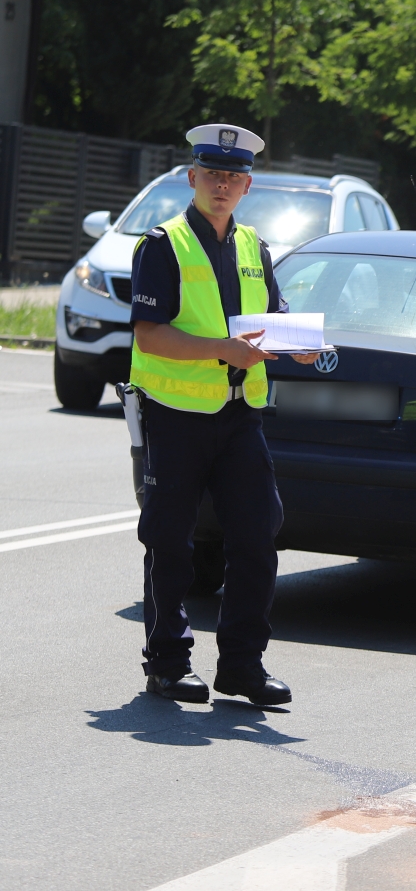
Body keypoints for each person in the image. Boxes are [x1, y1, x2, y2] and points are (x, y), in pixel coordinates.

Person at [129, 123, 315, 705]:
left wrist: (297, 344)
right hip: (175, 414)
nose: (222, 185)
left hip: (239, 415)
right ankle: (166, 663)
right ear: (192, 178)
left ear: (247, 186)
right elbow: (149, 335)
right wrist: (221, 350)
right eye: (212, 174)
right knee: (171, 543)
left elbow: (273, 318)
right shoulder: (161, 245)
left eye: (233, 177)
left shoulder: (253, 247)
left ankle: (242, 665)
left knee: (258, 536)